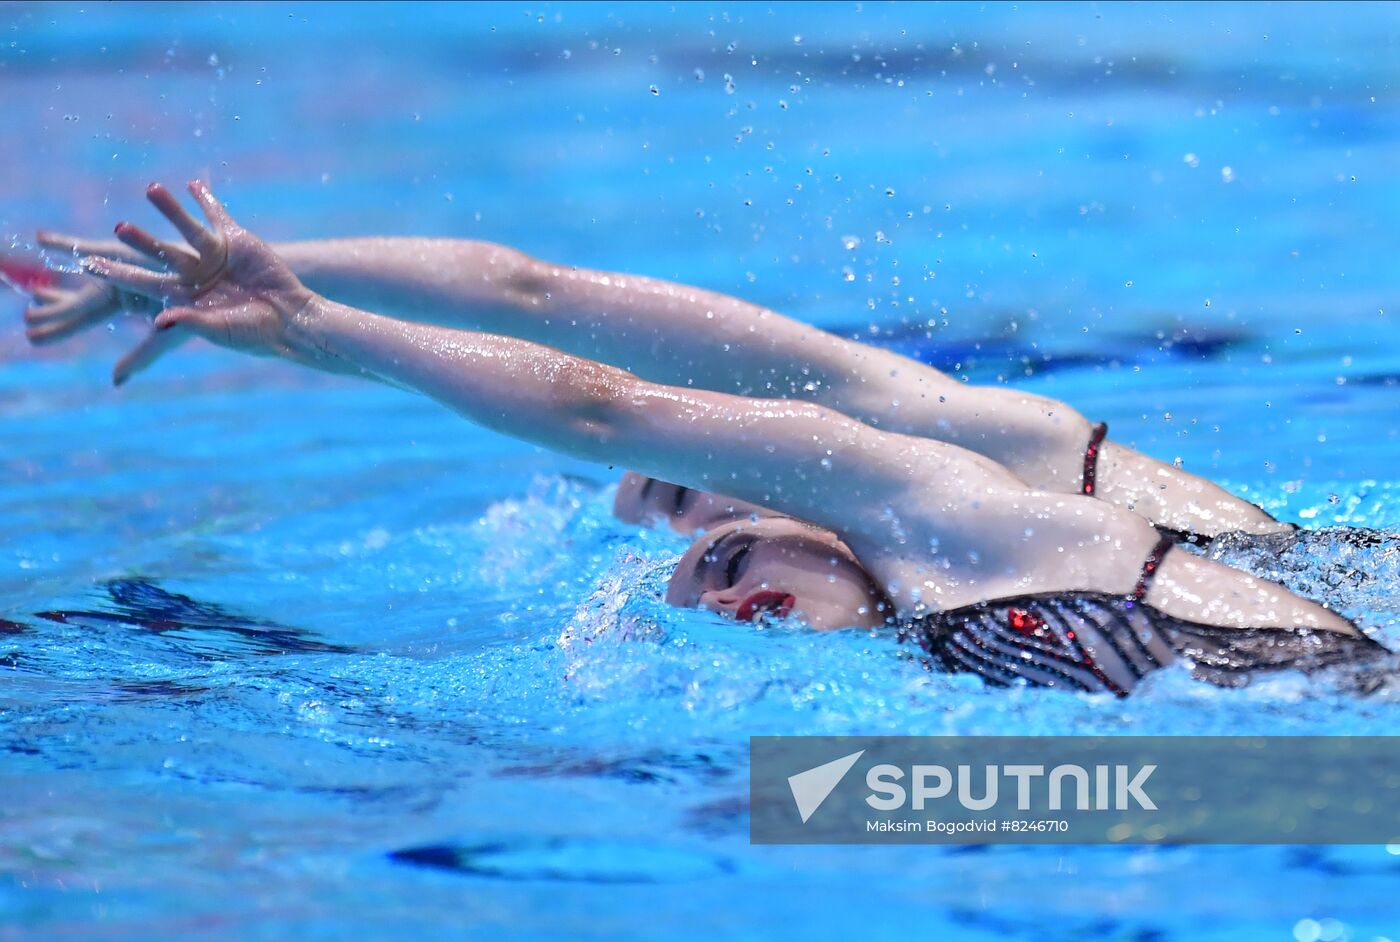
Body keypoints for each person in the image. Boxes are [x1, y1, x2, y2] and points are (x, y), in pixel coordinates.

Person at [21, 181, 1387, 696]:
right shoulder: (921, 586)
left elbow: (561, 345)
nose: (693, 545)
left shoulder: (961, 485)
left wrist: (305, 310)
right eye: (679, 540)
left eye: (698, 504)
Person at [24, 192, 1293, 544]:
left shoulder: (969, 448)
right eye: (673, 494)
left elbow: (540, 306)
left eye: (679, 478)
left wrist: (274, 277)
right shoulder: (920, 546)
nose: (686, 459)